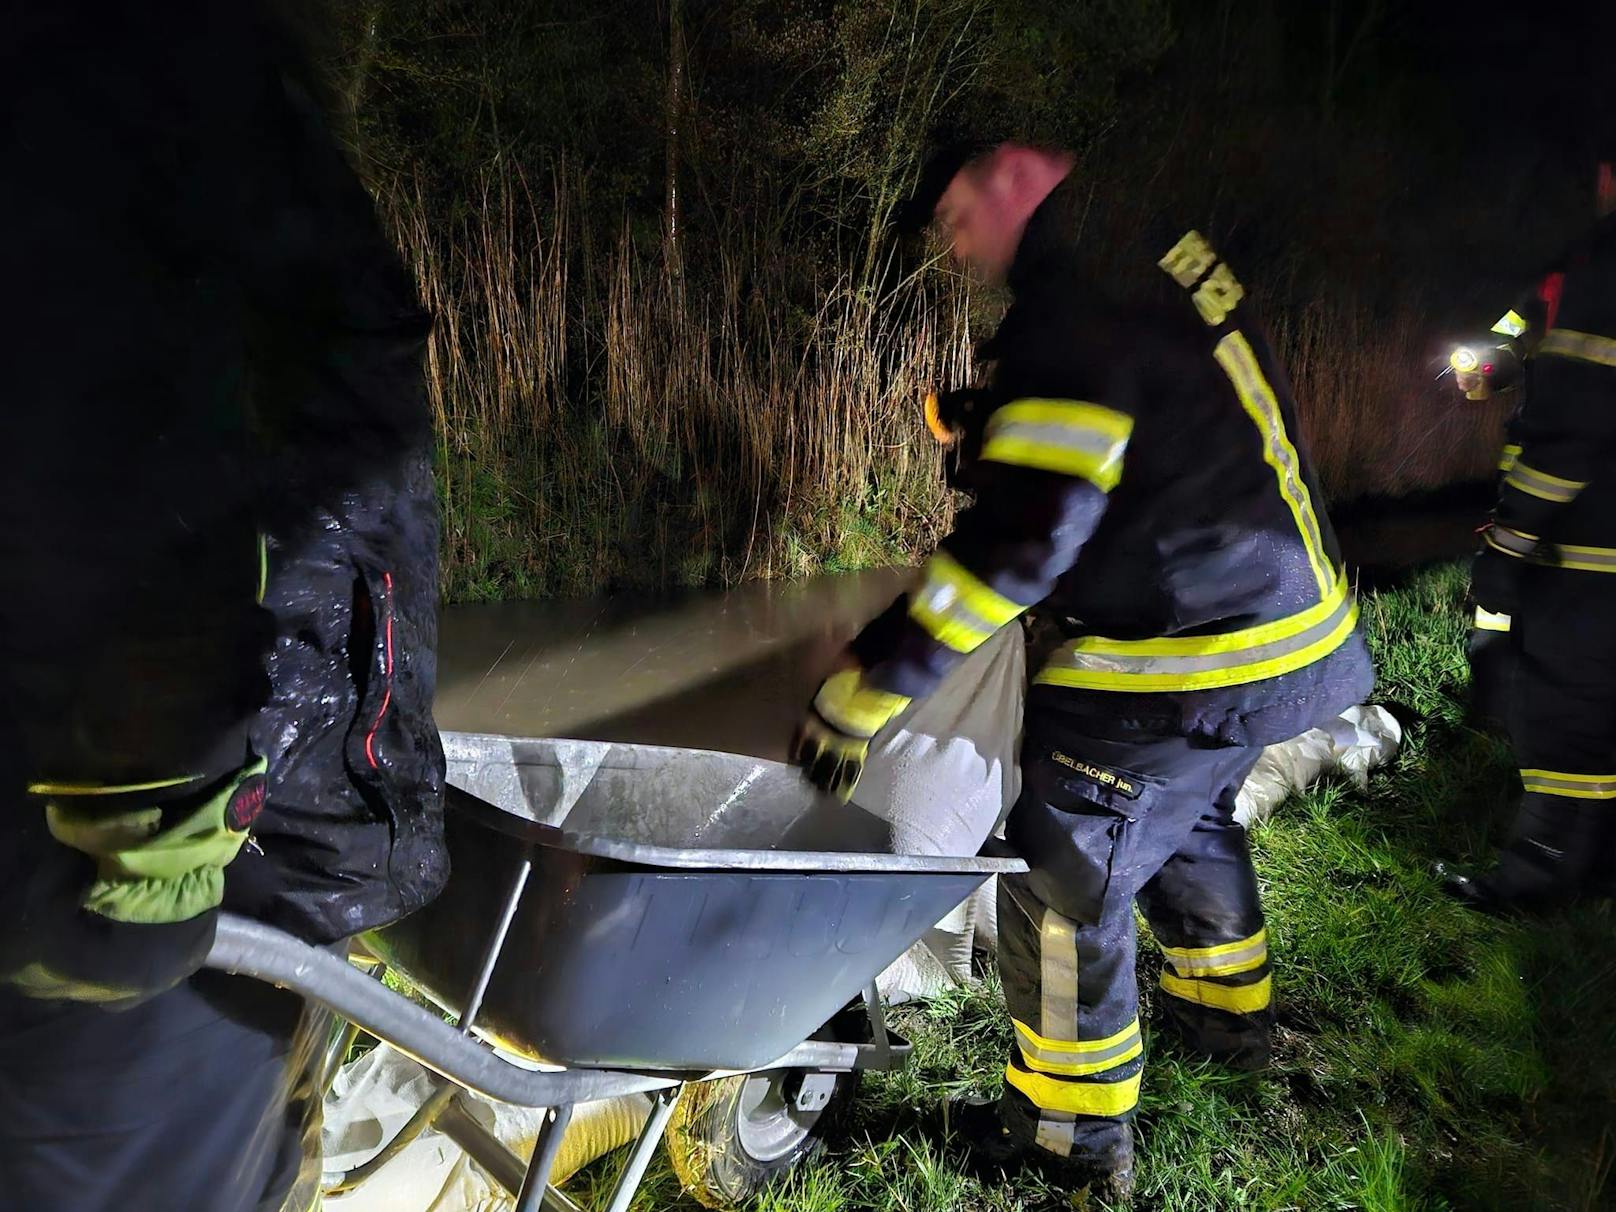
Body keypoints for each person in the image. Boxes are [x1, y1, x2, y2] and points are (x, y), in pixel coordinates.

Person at [793, 140, 1373, 1195]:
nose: (950, 242)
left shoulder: (1067, 314)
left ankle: (1068, 1143)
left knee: (1062, 876)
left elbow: (1019, 546)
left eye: (955, 212)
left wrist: (862, 687)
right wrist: (992, 424)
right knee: (1187, 814)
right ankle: (1224, 1022)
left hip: (1183, 650)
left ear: (1013, 172)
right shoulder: (1152, 250)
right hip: (1281, 629)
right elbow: (1146, 429)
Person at [0, 4, 446, 1209]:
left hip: (224, 812)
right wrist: (158, 825)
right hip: (133, 860)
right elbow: (109, 420)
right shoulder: (128, 65)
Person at [1444, 146, 1616, 914]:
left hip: (1585, 538)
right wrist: (1496, 359)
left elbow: (1573, 421)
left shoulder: (1598, 266)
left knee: (1562, 710)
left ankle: (1543, 873)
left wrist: (1510, 543)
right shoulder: (1566, 272)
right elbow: (1515, 330)